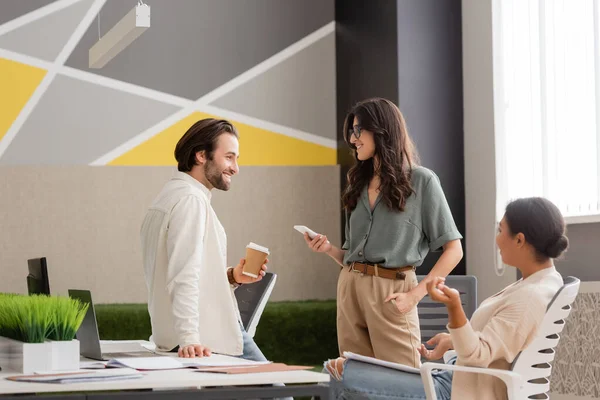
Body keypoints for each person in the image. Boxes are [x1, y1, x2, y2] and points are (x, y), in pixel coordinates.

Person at [325, 196, 568, 400]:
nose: (496, 239)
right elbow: (498, 344)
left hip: (455, 390)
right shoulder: (541, 283)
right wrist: (453, 340)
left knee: (340, 372)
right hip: (451, 375)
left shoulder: (529, 298)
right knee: (345, 368)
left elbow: (478, 354)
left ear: (519, 239)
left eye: (500, 230)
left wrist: (454, 307)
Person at [305, 97, 463, 367]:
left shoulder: (421, 181)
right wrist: (329, 249)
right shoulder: (356, 183)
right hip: (350, 286)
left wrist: (415, 295)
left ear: (381, 130)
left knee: (404, 381)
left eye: (358, 131)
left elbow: (454, 250)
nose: (353, 140)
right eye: (351, 133)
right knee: (356, 380)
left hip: (392, 290)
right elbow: (353, 254)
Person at [140, 118, 269, 360]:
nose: (235, 168)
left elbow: (177, 269)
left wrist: (231, 277)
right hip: (206, 337)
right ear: (201, 156)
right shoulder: (191, 200)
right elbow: (183, 274)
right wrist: (190, 338)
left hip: (181, 338)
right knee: (279, 395)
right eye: (229, 157)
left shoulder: (168, 197)